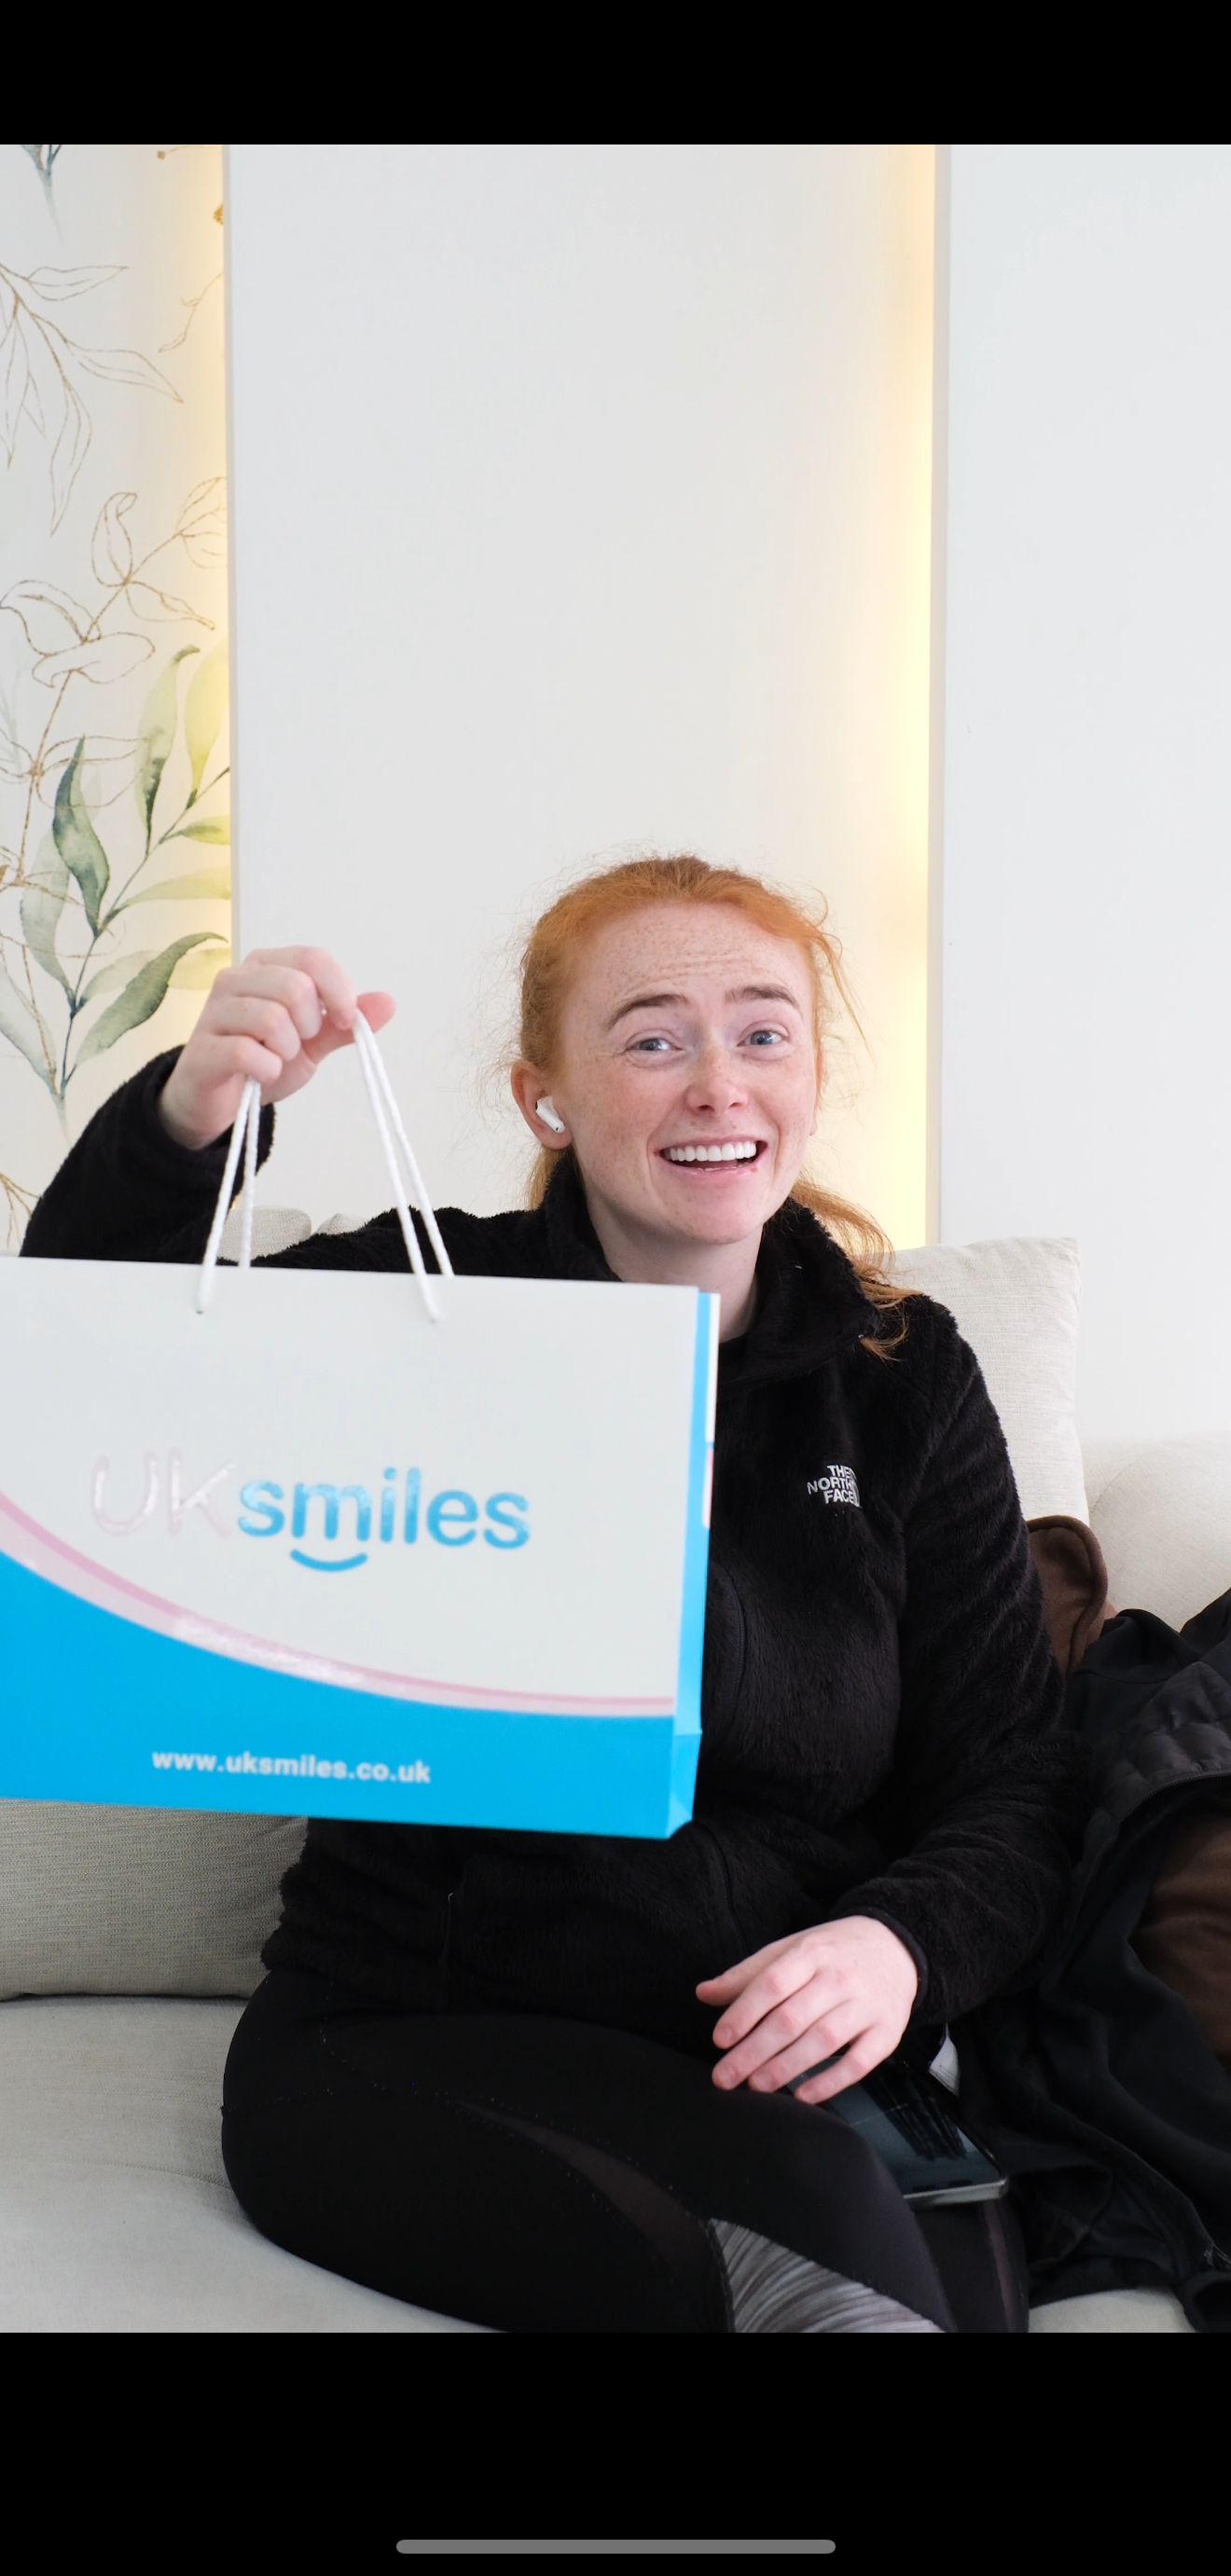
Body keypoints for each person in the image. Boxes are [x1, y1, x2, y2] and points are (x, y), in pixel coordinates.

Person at [25, 854, 1086, 2332]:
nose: (718, 1083)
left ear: (812, 1076)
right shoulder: (423, 1313)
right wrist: (189, 1120)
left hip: (769, 2053)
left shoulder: (904, 1378)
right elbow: (87, 1360)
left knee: (961, 2290)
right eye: (653, 1039)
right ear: (547, 1101)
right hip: (414, 2034)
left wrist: (895, 1948)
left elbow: (1016, 1779)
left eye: (762, 1032)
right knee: (828, 2280)